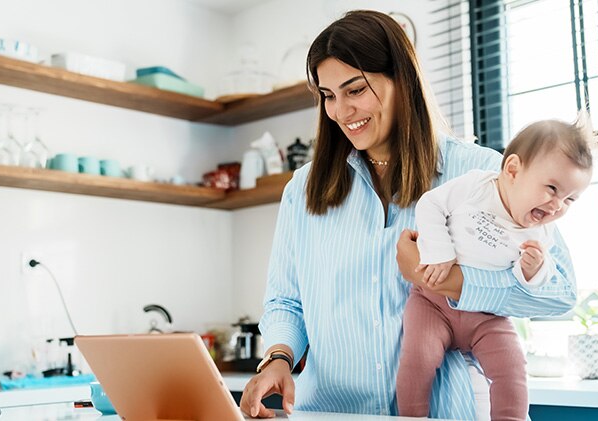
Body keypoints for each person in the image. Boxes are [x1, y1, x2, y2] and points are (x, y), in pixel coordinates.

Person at [239, 10, 577, 420]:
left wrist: (453, 282)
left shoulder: (480, 174)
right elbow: (286, 302)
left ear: (401, 79)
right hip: (329, 411)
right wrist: (277, 357)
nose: (341, 111)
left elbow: (560, 294)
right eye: (328, 95)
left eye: (355, 90)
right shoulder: (303, 191)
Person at [397, 116, 598, 419]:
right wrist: (440, 252)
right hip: (432, 303)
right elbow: (430, 205)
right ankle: (411, 417)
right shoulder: (476, 185)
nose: (557, 206)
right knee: (418, 357)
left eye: (570, 199)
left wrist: (533, 270)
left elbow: (538, 284)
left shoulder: (541, 232)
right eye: (552, 189)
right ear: (513, 169)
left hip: (488, 317)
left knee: (512, 367)